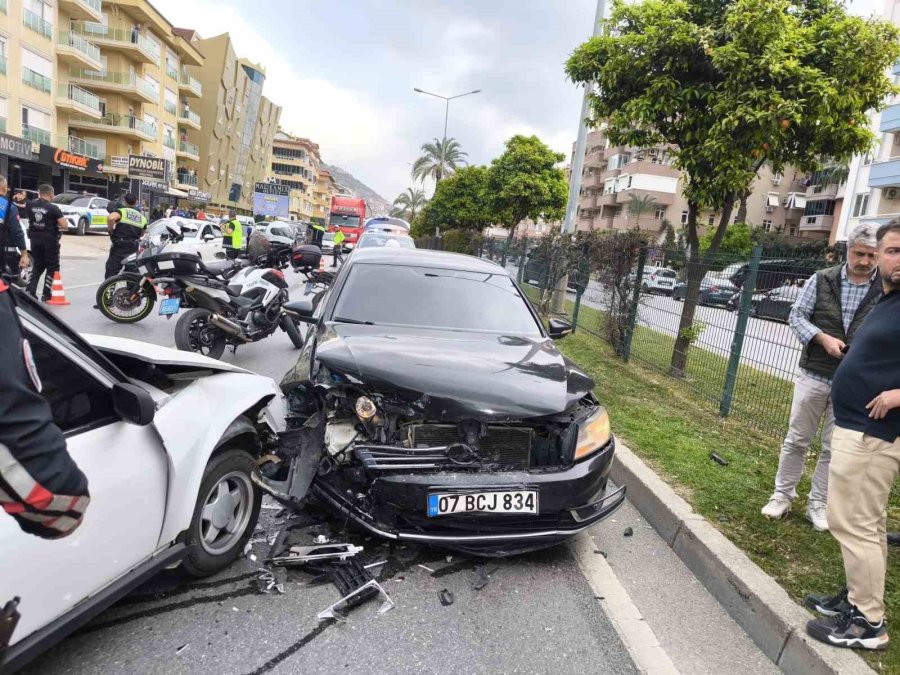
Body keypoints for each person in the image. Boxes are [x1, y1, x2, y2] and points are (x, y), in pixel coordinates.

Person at [805, 221, 900, 651]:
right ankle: (858, 597)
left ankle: (868, 623)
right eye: (894, 250)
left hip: (874, 434)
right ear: (878, 255)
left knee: (852, 523)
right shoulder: (887, 299)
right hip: (856, 428)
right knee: (868, 524)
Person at [761, 224, 881, 530]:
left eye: (871, 255)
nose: (865, 261)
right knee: (797, 440)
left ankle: (819, 504)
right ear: (847, 250)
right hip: (815, 373)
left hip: (854, 383)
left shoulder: (885, 289)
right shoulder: (822, 278)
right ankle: (782, 496)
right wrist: (821, 338)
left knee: (834, 447)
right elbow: (796, 315)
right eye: (859, 253)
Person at [25, 184, 68, 302]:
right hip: (50, 241)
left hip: (34, 240)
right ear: (50, 194)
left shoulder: (30, 205)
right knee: (52, 267)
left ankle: (30, 290)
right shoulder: (53, 208)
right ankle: (46, 294)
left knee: (38, 265)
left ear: (40, 193)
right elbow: (65, 225)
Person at [103, 193, 147, 279]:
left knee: (111, 273)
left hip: (120, 246)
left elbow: (111, 218)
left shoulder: (122, 211)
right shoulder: (142, 217)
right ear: (136, 202)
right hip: (133, 248)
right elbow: (142, 233)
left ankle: (108, 291)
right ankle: (130, 292)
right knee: (131, 275)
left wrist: (110, 230)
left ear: (124, 202)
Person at [0, 175, 30, 276]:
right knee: (8, 287)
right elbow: (16, 232)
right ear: (4, 188)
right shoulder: (8, 207)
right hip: (5, 256)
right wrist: (24, 254)